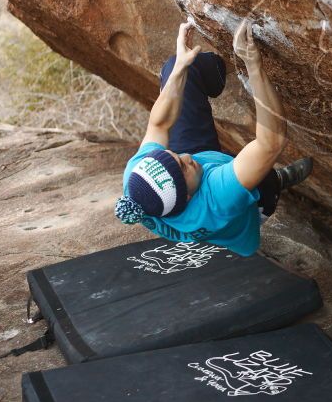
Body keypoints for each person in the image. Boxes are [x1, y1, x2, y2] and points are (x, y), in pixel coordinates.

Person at [114, 18, 312, 256]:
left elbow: (159, 123)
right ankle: (277, 180)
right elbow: (271, 144)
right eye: (183, 166)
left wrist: (180, 67)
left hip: (201, 179)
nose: (186, 156)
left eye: (174, 157)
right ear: (187, 197)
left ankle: (212, 71)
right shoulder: (216, 199)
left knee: (177, 71)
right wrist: (253, 65)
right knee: (262, 176)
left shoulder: (139, 179)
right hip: (235, 206)